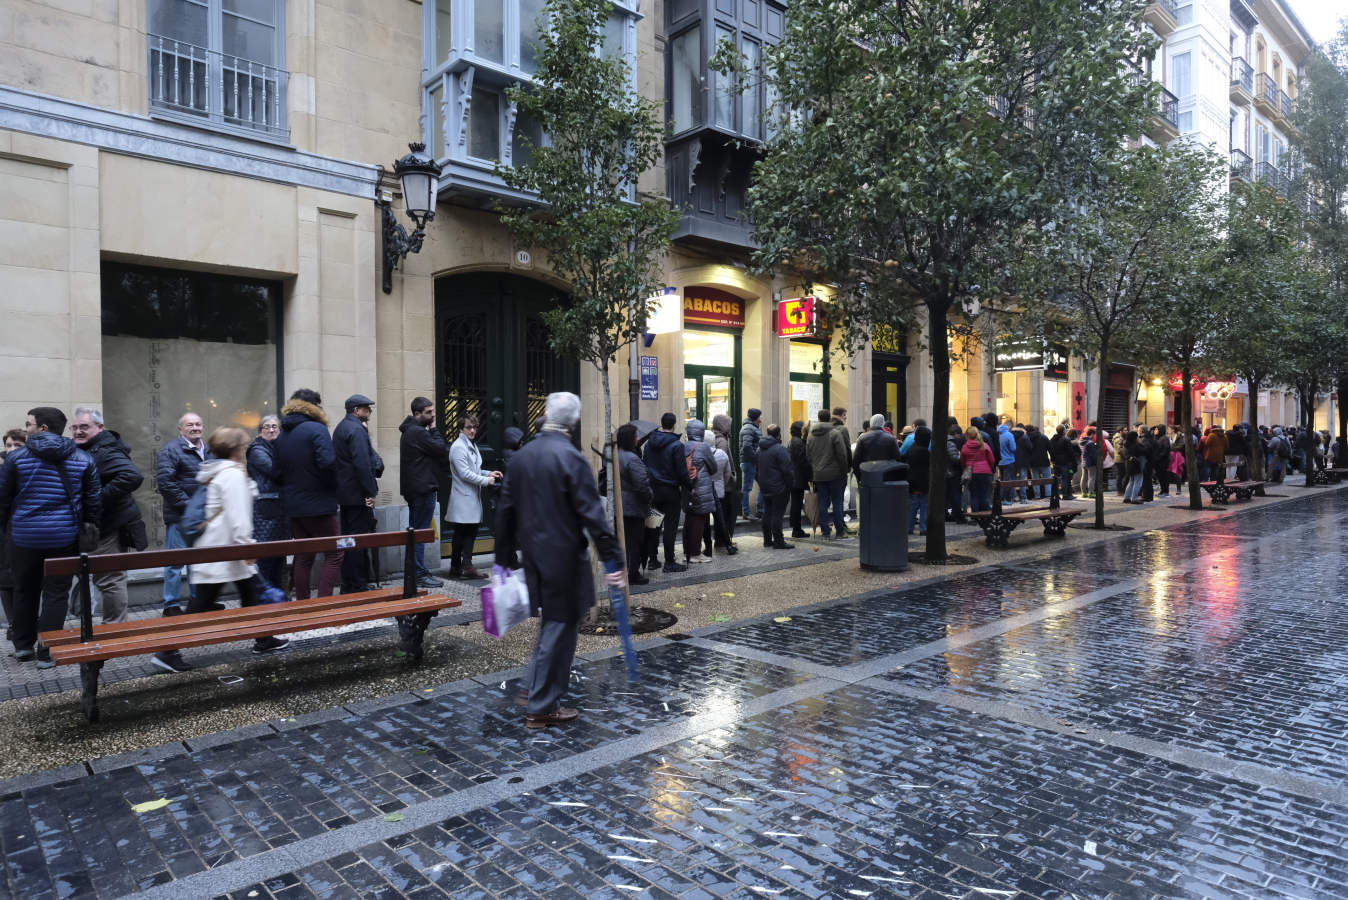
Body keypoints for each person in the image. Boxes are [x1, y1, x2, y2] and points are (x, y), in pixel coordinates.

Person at [494, 392, 624, 730]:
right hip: (563, 556)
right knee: (560, 627)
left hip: (534, 555)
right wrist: (613, 559)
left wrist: (503, 557)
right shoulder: (570, 457)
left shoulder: (523, 457)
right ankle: (542, 705)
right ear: (575, 421)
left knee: (551, 622)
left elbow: (504, 510)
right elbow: (592, 514)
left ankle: (531, 689)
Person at [154, 427, 289, 674]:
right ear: (238, 450)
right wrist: (247, 545)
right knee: (201, 603)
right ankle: (167, 651)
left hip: (220, 549)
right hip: (224, 551)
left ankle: (264, 638)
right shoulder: (232, 475)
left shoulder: (220, 472)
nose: (247, 450)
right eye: (245, 446)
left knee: (251, 595)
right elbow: (238, 517)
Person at [0, 407, 100, 668]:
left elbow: (3, 498)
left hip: (24, 538)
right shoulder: (82, 458)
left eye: (29, 424)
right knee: (56, 593)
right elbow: (93, 502)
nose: (26, 428)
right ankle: (47, 651)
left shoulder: (16, 459)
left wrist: (4, 529)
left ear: (43, 428)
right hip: (62, 536)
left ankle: (23, 646)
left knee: (25, 589)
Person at [68, 407, 145, 626]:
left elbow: (132, 476)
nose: (78, 432)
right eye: (74, 428)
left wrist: (97, 498)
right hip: (99, 526)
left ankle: (114, 629)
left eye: (84, 427)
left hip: (109, 527)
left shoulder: (105, 449)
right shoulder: (92, 448)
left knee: (110, 580)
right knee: (105, 579)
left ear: (100, 427)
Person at [276, 388, 344, 599]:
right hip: (319, 504)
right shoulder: (317, 429)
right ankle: (323, 603)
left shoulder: (282, 434)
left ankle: (303, 603)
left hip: (294, 506)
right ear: (314, 407)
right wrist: (333, 489)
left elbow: (276, 472)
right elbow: (328, 464)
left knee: (304, 556)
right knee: (335, 553)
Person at [156, 411, 211, 615]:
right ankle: (171, 605)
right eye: (190, 425)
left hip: (203, 518)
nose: (195, 428)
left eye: (198, 424)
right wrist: (190, 508)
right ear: (180, 429)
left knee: (198, 562)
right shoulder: (170, 450)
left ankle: (197, 602)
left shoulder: (210, 450)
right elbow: (166, 484)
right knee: (175, 563)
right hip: (180, 517)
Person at [333, 394, 384, 593]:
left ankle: (349, 582)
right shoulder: (356, 429)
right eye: (366, 408)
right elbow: (362, 464)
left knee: (347, 539)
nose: (369, 411)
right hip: (356, 495)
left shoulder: (341, 428)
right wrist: (370, 491)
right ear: (356, 410)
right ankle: (357, 584)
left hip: (345, 495)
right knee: (357, 540)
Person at [399, 397, 452, 588]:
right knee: (419, 533)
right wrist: (435, 429)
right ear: (417, 414)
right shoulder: (417, 433)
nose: (432, 415)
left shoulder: (411, 431)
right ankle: (419, 573)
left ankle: (416, 571)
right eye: (429, 412)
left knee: (416, 531)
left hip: (417, 488)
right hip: (422, 489)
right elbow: (440, 449)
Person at [446, 414, 501, 580]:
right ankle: (463, 566)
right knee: (464, 533)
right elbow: (465, 474)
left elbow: (474, 469)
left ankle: (458, 566)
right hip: (463, 497)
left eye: (474, 427)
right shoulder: (458, 447)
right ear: (461, 429)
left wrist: (488, 472)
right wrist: (486, 480)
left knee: (467, 532)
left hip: (470, 497)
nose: (472, 430)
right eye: (468, 427)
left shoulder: (470, 445)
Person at [643, 413, 690, 573]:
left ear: (661, 424)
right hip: (670, 491)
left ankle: (653, 559)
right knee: (670, 527)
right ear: (675, 425)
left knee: (654, 525)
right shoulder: (677, 446)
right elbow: (682, 472)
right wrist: (689, 486)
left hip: (653, 490)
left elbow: (645, 464)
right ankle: (669, 561)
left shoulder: (649, 444)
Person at [247, 416, 289, 591]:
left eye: (275, 427)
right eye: (267, 427)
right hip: (266, 512)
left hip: (278, 511)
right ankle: (264, 599)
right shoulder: (257, 450)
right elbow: (275, 471)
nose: (271, 430)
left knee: (278, 557)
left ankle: (277, 597)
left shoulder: (277, 447)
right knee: (266, 559)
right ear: (260, 431)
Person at [806, 409, 851, 539]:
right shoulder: (834, 433)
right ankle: (840, 531)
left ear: (819, 418)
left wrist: (815, 468)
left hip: (818, 475)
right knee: (837, 502)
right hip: (836, 474)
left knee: (822, 503)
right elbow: (842, 455)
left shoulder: (811, 435)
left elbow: (808, 456)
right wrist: (844, 470)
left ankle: (825, 532)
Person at [617, 424, 652, 585]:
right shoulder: (632, 459)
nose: (638, 439)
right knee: (635, 541)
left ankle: (623, 571)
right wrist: (649, 497)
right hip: (633, 506)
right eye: (636, 437)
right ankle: (633, 574)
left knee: (623, 541)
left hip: (619, 506)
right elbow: (641, 485)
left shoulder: (616, 455)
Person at [681, 419, 718, 565]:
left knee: (689, 520)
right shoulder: (703, 447)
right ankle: (695, 553)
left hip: (687, 488)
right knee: (699, 520)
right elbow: (713, 468)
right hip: (701, 488)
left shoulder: (683, 446)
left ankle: (687, 552)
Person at [0, 430, 24, 643]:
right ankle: (14, 626)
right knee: (5, 582)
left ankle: (23, 626)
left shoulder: (32, 471)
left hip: (24, 534)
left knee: (25, 583)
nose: (12, 450)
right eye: (9, 445)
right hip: (3, 535)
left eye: (17, 445)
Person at [755, 424, 795, 549]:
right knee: (777, 514)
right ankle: (778, 541)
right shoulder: (780, 449)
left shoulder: (759, 449)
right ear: (779, 434)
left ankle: (767, 540)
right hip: (779, 487)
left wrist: (761, 482)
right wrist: (789, 485)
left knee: (768, 513)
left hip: (765, 486)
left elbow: (756, 469)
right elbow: (788, 470)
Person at [708, 414, 739, 556]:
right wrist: (731, 479)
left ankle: (721, 540)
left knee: (723, 515)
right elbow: (723, 465)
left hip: (722, 484)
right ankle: (723, 540)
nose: (730, 426)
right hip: (725, 486)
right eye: (728, 424)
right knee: (726, 515)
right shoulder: (722, 442)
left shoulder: (717, 438)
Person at [960, 426, 996, 512]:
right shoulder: (984, 445)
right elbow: (992, 460)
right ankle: (985, 515)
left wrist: (965, 469)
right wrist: (990, 468)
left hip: (972, 473)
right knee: (985, 494)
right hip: (985, 472)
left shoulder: (965, 447)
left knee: (974, 495)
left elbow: (962, 461)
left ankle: (976, 516)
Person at [907, 425, 932, 535]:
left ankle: (909, 527)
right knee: (924, 505)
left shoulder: (912, 448)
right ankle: (923, 528)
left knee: (913, 506)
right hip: (923, 482)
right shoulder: (924, 452)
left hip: (913, 481)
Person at [788, 421, 812, 538]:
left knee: (796, 503)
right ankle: (796, 529)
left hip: (795, 478)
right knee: (797, 504)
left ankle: (796, 528)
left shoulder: (794, 441)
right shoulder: (798, 443)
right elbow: (803, 462)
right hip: (798, 478)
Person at [738, 408, 763, 520]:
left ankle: (760, 510)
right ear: (756, 417)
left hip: (752, 461)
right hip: (749, 462)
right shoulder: (749, 428)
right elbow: (747, 446)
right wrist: (756, 458)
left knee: (762, 484)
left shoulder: (751, 427)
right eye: (760, 416)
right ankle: (746, 512)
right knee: (747, 488)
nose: (761, 419)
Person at [1027, 425, 1051, 499]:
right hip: (1044, 461)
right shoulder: (1044, 437)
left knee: (1035, 480)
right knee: (1047, 479)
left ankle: (1037, 496)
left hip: (1033, 463)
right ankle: (1048, 495)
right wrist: (1052, 459)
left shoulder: (1028, 438)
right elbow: (1050, 448)